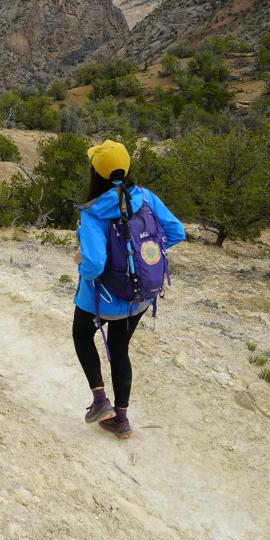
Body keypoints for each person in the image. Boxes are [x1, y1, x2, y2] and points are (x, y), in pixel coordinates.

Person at [72, 139, 185, 439]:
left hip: (102, 298)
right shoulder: (146, 197)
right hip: (139, 296)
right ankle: (121, 420)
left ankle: (99, 402)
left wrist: (80, 263)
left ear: (96, 173)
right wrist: (146, 255)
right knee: (120, 349)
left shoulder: (94, 211)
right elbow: (176, 232)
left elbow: (95, 264)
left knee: (82, 335)